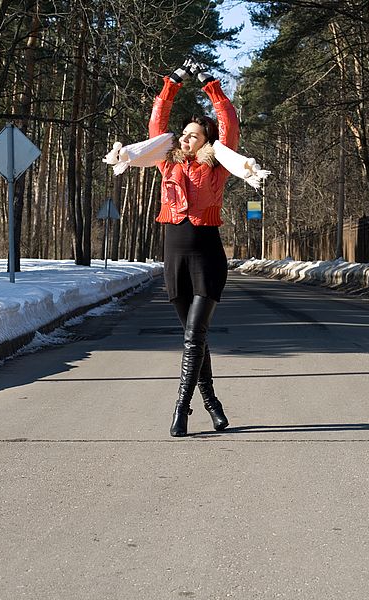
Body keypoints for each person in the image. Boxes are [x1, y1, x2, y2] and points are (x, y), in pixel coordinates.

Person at [149, 58, 240, 437]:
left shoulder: (216, 166)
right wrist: (172, 82)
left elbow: (229, 121)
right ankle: (214, 405)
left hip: (207, 257)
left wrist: (209, 84)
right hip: (174, 258)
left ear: (205, 142)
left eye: (192, 135)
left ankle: (181, 410)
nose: (184, 138)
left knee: (193, 337)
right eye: (183, 134)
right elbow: (156, 125)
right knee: (194, 336)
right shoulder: (165, 166)